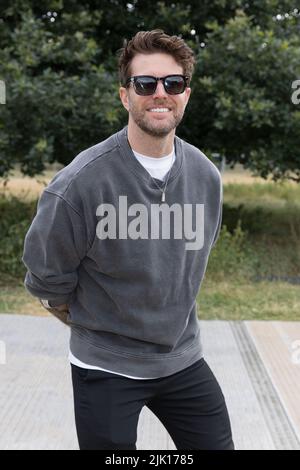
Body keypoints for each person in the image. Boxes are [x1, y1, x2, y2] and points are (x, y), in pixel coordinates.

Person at [22, 29, 234, 451]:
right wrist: (96, 323)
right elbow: (48, 280)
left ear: (185, 95)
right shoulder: (80, 184)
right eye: (145, 84)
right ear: (125, 95)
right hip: (105, 367)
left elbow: (190, 266)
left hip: (182, 358)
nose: (160, 93)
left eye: (172, 84)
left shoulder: (206, 177)